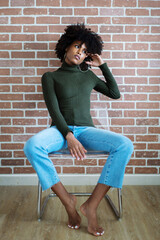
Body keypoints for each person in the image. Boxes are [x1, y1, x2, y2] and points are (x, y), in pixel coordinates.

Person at [24, 23, 134, 237]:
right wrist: (68, 135)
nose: (80, 52)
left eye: (85, 51)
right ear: (66, 47)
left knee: (125, 144)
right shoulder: (50, 77)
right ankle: (68, 200)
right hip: (59, 131)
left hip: (86, 131)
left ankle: (91, 205)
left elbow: (115, 93)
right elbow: (54, 111)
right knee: (32, 145)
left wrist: (102, 65)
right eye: (77, 46)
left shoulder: (88, 76)